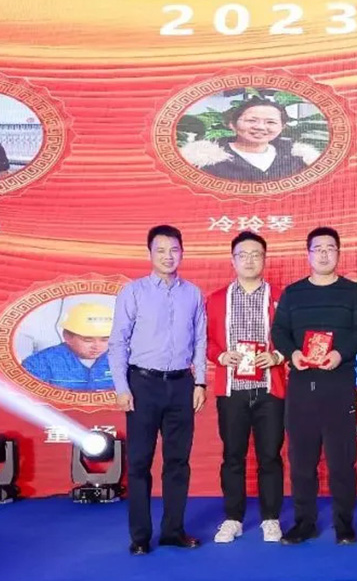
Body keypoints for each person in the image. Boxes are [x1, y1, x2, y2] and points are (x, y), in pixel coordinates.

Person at [109, 225, 208, 555]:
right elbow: (118, 342)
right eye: (161, 250)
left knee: (178, 462)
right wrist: (122, 387)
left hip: (181, 384)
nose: (168, 256)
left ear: (183, 253)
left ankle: (173, 531)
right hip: (142, 385)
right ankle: (140, 536)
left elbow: (200, 340)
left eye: (174, 250)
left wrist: (200, 381)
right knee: (139, 463)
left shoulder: (192, 293)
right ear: (150, 253)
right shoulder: (133, 292)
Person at [271, 227, 357, 545]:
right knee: (301, 462)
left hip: (339, 384)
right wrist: (293, 353)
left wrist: (340, 353)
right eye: (318, 248)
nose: (324, 254)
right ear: (308, 254)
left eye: (330, 248)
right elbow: (279, 331)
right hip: (302, 385)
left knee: (342, 461)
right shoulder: (293, 293)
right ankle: (305, 522)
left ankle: (344, 524)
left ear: (338, 253)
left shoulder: (353, 292)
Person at [206, 232, 287, 544]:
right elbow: (206, 341)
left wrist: (277, 356)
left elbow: (293, 336)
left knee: (270, 456)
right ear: (233, 260)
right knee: (233, 456)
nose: (250, 260)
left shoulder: (281, 297)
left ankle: (270, 518)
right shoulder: (216, 299)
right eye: (243, 255)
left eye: (256, 254)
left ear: (265, 259)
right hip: (233, 389)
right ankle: (233, 518)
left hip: (269, 388)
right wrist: (221, 356)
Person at [179, 97, 320, 182]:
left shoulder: (299, 159)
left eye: (270, 122)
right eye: (251, 120)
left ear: (282, 127)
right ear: (232, 125)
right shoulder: (202, 161)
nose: (260, 127)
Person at [21, 302, 114, 391]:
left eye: (105, 340)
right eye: (88, 340)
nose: (97, 346)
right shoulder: (39, 363)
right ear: (67, 336)